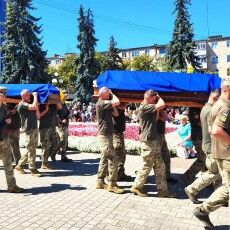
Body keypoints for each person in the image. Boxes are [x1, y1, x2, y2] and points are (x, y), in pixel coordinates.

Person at [193, 79, 230, 228]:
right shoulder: (226, 107)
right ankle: (203, 210)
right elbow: (216, 131)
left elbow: (210, 129)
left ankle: (203, 209)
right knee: (228, 189)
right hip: (226, 154)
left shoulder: (215, 106)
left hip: (219, 151)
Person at [130, 90, 176, 197]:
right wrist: (159, 97)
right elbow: (162, 104)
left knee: (160, 165)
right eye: (154, 98)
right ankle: (136, 186)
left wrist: (158, 108)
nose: (155, 100)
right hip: (148, 141)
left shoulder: (149, 108)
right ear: (149, 97)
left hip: (153, 140)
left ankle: (162, 190)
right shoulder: (144, 107)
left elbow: (156, 119)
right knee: (147, 164)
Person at [184, 90, 221, 204]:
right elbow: (204, 125)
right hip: (201, 138)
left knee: (214, 168)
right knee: (205, 163)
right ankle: (189, 178)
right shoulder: (199, 109)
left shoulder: (203, 107)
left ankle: (218, 194)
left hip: (204, 139)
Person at [96, 87, 124, 194]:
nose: (109, 95)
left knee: (104, 158)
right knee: (113, 158)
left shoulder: (106, 105)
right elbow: (117, 102)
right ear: (103, 94)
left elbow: (116, 114)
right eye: (107, 94)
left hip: (108, 135)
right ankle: (112, 184)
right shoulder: (101, 103)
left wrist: (113, 106)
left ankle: (100, 181)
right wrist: (112, 94)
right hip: (104, 136)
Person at [0, 87, 23, 193]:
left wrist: (6, 120)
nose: (3, 94)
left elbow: (5, 118)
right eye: (1, 93)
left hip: (4, 137)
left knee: (8, 163)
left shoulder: (4, 106)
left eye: (4, 93)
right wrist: (5, 122)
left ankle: (12, 186)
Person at [15, 89, 41, 176]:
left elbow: (38, 116)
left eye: (29, 94)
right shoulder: (21, 104)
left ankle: (19, 165)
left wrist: (36, 105)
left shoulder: (30, 104)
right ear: (22, 96)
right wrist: (36, 96)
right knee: (31, 149)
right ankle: (32, 169)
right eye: (27, 95)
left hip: (34, 128)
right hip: (29, 128)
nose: (29, 96)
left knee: (31, 148)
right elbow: (33, 107)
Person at [112, 103, 131, 181]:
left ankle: (121, 173)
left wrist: (123, 105)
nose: (123, 105)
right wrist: (117, 106)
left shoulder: (121, 110)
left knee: (122, 155)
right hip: (115, 133)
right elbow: (116, 114)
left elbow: (124, 106)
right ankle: (114, 176)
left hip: (119, 133)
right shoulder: (112, 108)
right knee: (117, 154)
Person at [157, 109, 177, 183]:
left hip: (161, 134)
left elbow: (166, 118)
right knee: (153, 159)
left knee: (166, 156)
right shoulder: (155, 108)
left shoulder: (162, 108)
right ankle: (140, 175)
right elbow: (164, 118)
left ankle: (167, 176)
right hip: (155, 135)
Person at [39, 103, 60, 169]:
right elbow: (39, 116)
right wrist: (46, 109)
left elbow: (59, 107)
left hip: (52, 127)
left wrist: (58, 100)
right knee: (45, 146)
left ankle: (46, 157)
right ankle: (44, 163)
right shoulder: (42, 104)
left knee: (56, 144)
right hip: (44, 128)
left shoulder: (54, 104)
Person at [57, 95, 72, 162]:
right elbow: (56, 115)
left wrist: (68, 116)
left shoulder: (64, 104)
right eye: (64, 97)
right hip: (61, 125)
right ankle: (61, 155)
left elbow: (67, 112)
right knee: (63, 140)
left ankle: (63, 155)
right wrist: (61, 120)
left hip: (65, 125)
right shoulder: (58, 105)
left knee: (65, 140)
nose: (66, 98)